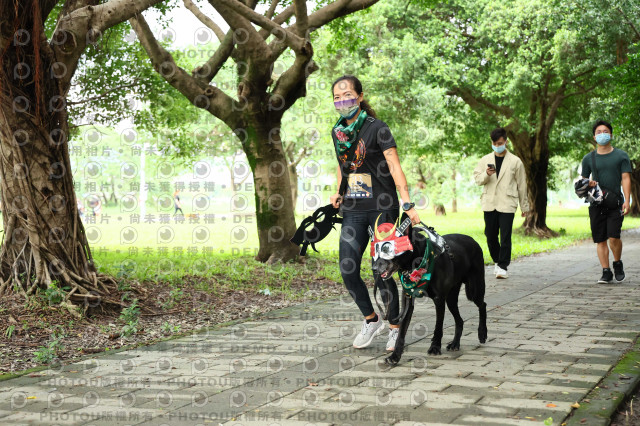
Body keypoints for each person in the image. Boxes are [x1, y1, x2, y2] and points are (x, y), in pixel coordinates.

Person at [329, 75, 420, 352]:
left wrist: (407, 202)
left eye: (347, 94)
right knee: (347, 268)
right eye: (336, 97)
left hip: (383, 208)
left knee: (382, 272)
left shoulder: (377, 128)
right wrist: (337, 191)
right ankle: (371, 319)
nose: (342, 100)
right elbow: (342, 165)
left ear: (359, 96)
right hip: (354, 209)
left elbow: (394, 165)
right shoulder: (338, 133)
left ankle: (395, 328)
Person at [473, 128, 529, 279]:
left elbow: (522, 185)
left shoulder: (516, 161)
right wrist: (486, 174)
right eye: (494, 143)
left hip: (507, 203)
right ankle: (498, 261)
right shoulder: (485, 160)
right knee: (490, 236)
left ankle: (503, 266)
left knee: (505, 236)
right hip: (489, 202)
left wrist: (525, 207)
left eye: (500, 143)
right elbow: (477, 180)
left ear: (506, 142)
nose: (497, 145)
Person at [580, 120, 632, 283]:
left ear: (611, 134)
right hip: (597, 203)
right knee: (600, 239)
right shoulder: (588, 158)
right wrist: (588, 183)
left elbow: (625, 178)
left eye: (605, 131)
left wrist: (627, 200)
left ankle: (617, 262)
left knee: (614, 237)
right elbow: (583, 181)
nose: (602, 134)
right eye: (599, 132)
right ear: (594, 137)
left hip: (615, 203)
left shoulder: (621, 155)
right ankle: (606, 271)